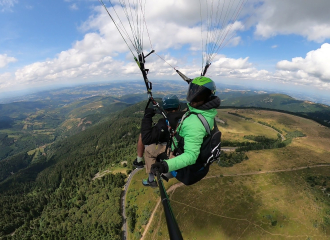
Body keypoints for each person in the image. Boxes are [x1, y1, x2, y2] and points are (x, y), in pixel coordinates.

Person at [150, 76, 221, 184]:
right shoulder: (207, 113)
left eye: (199, 95)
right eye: (192, 92)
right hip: (199, 167)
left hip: (187, 172)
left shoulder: (195, 123)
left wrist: (165, 166)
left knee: (151, 153)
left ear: (208, 97)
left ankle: (152, 178)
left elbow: (191, 156)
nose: (193, 98)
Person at [132, 94, 185, 187]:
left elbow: (146, 138)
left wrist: (147, 117)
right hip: (183, 149)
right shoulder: (186, 117)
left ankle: (150, 178)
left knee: (148, 151)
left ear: (165, 109)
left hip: (172, 151)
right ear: (179, 107)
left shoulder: (164, 122)